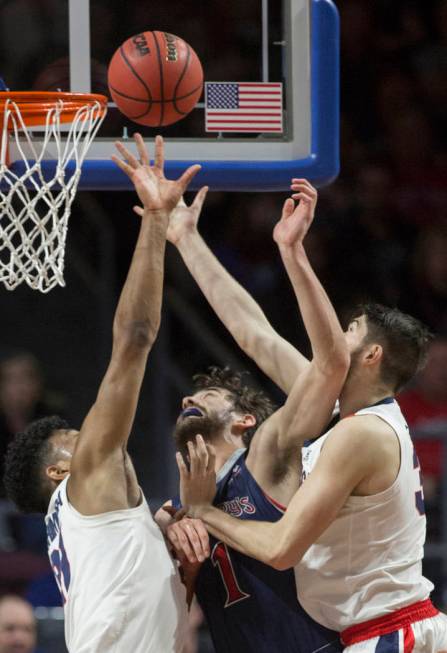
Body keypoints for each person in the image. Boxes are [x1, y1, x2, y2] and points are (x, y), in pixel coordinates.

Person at [3, 134, 200, 653]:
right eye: (76, 436)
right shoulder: (86, 479)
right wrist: (154, 222)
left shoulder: (88, 525)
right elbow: (134, 340)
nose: (93, 435)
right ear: (59, 472)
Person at [178, 297, 447, 650]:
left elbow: (280, 548)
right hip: (388, 627)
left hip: (384, 631)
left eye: (350, 329)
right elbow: (256, 336)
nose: (337, 335)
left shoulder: (299, 442)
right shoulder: (351, 420)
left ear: (372, 355)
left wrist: (204, 511)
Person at [155, 180, 350, 652]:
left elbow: (254, 335)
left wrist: (186, 239)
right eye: (188, 396)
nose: (187, 400)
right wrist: (170, 550)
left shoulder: (266, 455)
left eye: (209, 393)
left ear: (245, 420)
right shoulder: (177, 510)